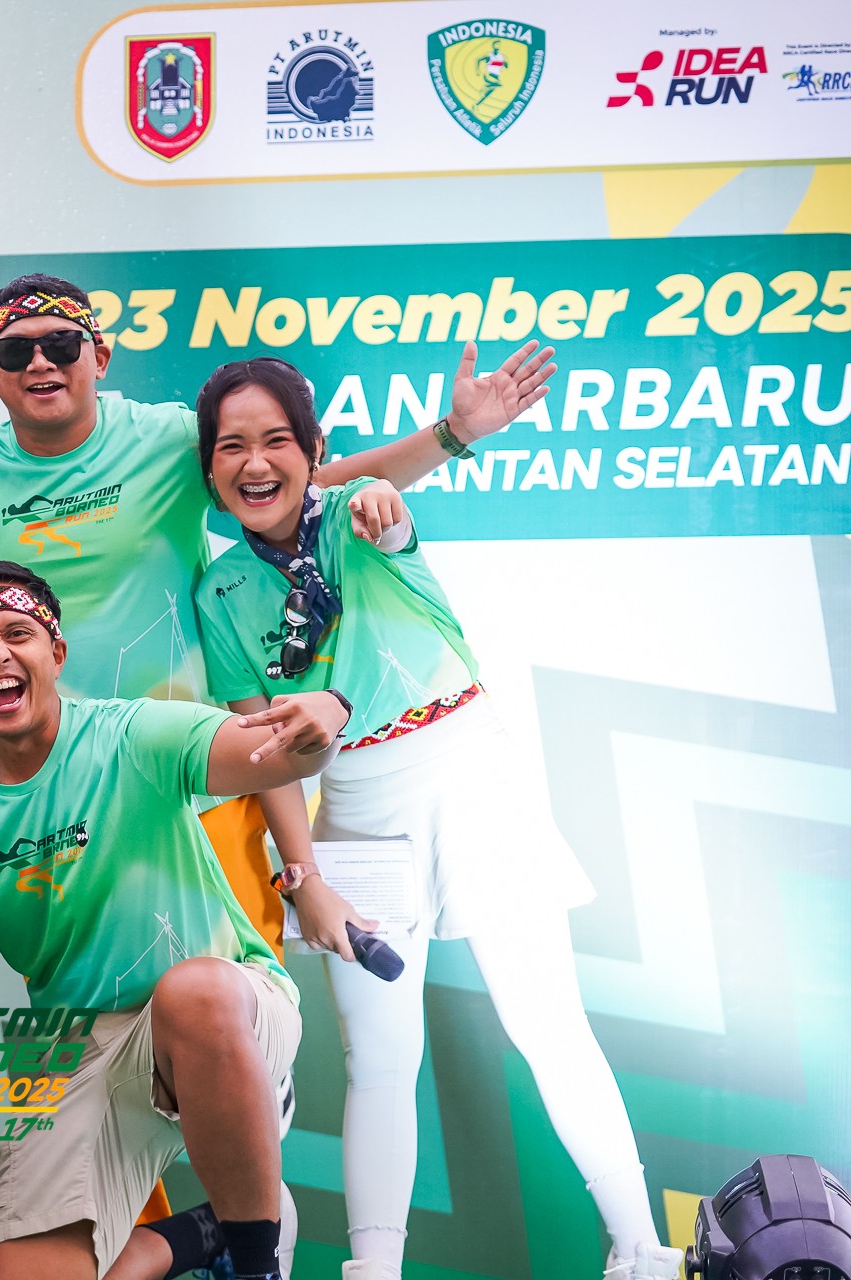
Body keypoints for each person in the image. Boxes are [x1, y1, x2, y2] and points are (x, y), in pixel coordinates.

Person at [0, 274, 555, 1273]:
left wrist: (450, 437)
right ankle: (159, 1244)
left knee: (216, 1017)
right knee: (97, 1036)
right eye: (16, 350)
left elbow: (296, 480)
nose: (40, 362)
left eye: (61, 343)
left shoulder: (171, 438)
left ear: (99, 354)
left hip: (193, 768)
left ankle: (254, 1217)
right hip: (59, 790)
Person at [190, 357, 681, 1280]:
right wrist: (306, 880)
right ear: (209, 468)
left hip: (468, 769)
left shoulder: (361, 509)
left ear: (315, 450)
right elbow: (267, 758)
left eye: (277, 441)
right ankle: (373, 1270)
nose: (255, 462)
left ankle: (640, 1249)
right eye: (232, 446)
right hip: (356, 805)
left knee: (547, 1022)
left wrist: (396, 494)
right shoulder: (219, 594)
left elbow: (380, 503)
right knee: (379, 1059)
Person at [0, 560, 354, 1280]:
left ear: (56, 653)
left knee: (194, 992)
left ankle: (256, 1263)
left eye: (17, 633)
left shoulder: (134, 733)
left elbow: (275, 757)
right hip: (75, 1051)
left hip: (224, 1007)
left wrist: (327, 714)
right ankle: (202, 1235)